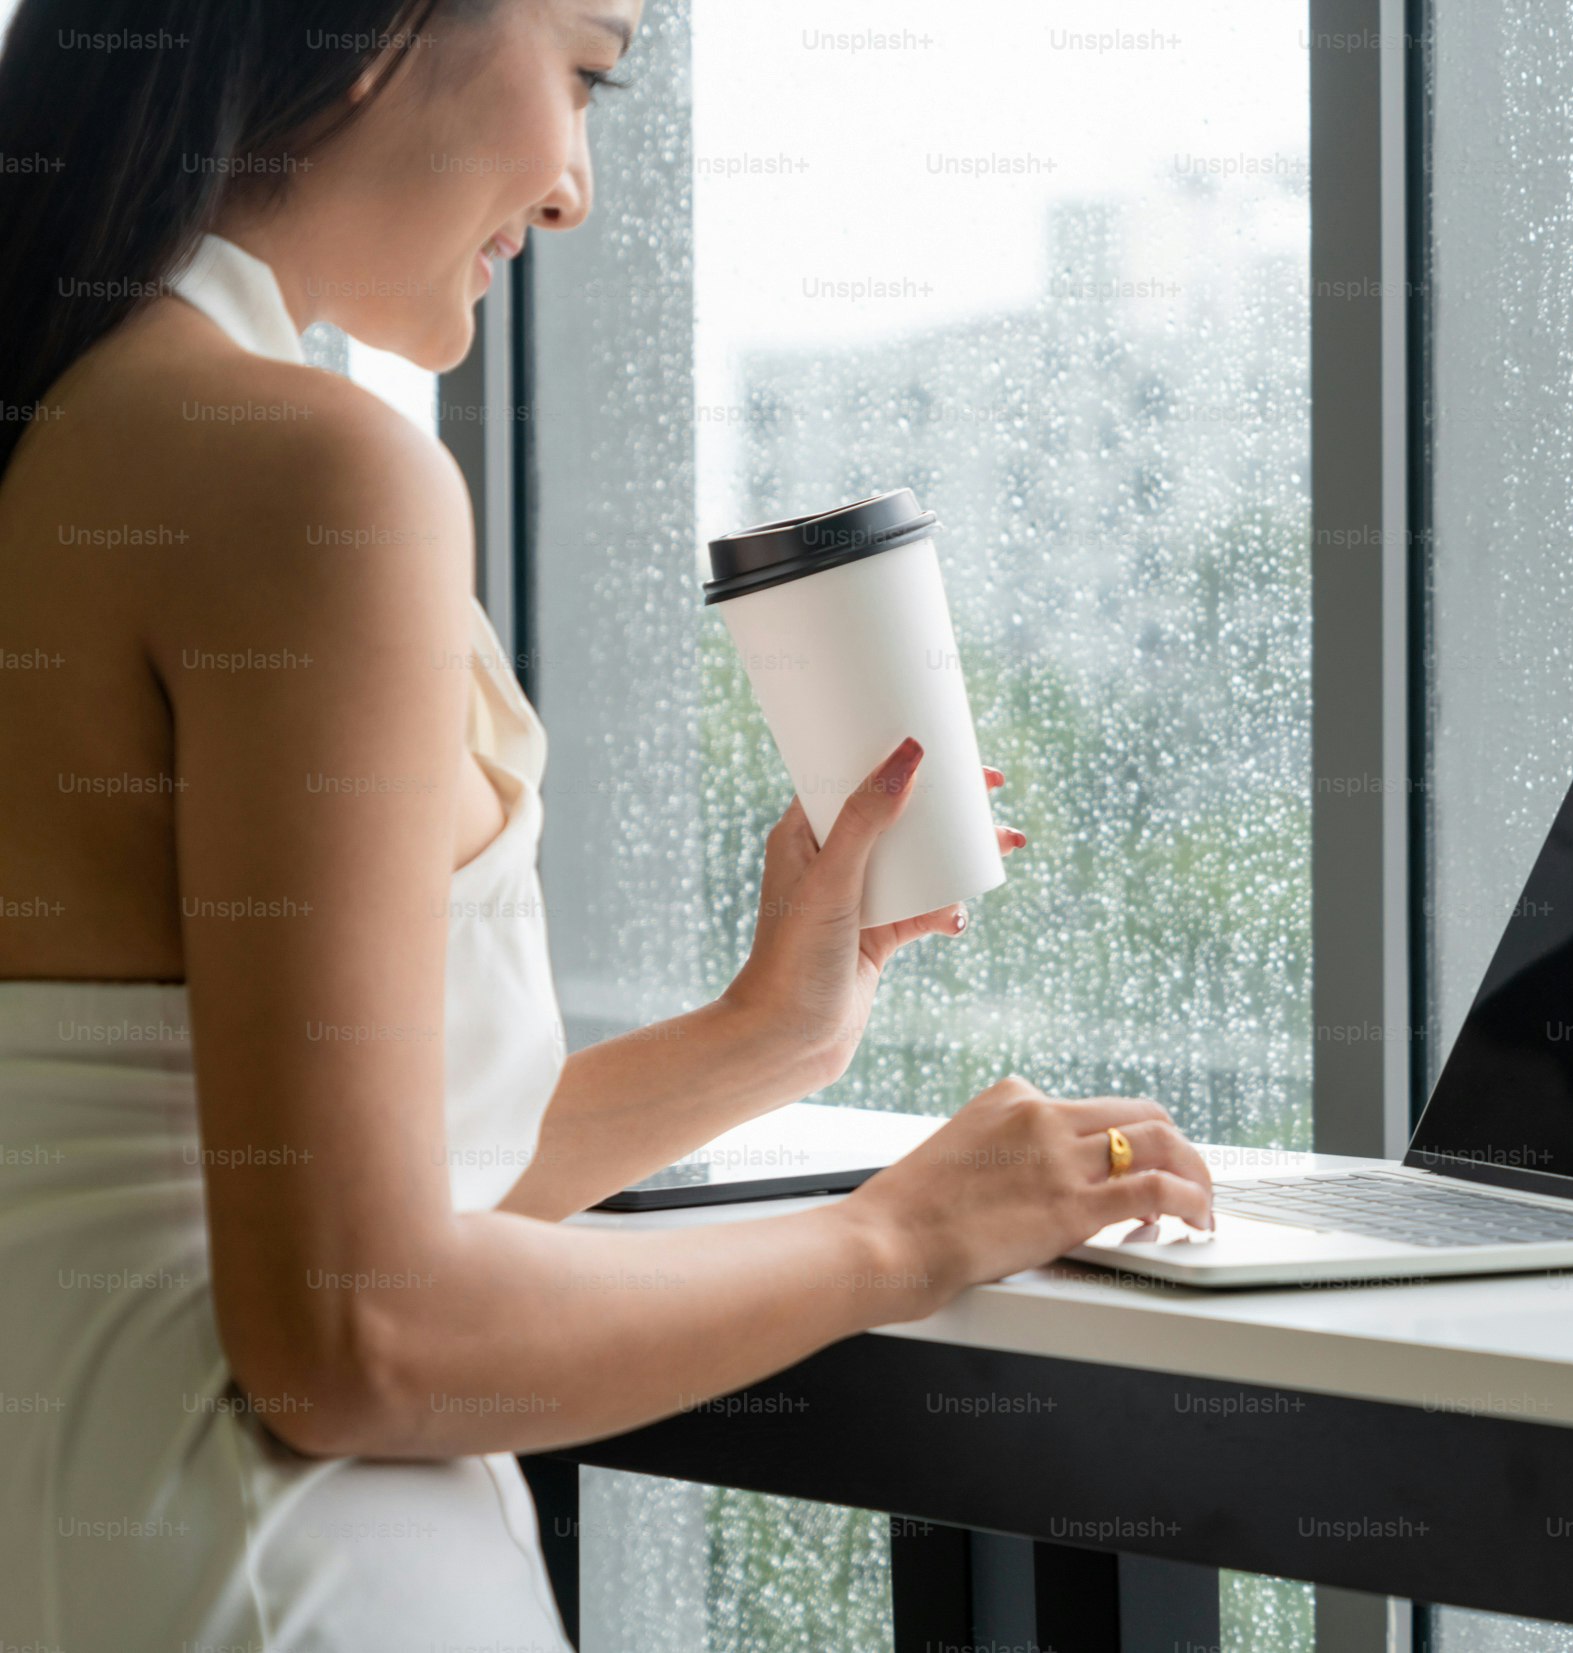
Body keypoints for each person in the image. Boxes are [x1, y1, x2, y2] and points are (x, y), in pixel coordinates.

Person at [0, 3, 1215, 1646]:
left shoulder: (71, 435)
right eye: (582, 69)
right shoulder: (303, 476)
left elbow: (289, 1184)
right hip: (286, 1577)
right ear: (370, 33)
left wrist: (764, 1036)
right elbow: (362, 1332)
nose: (571, 188)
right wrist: (907, 1233)